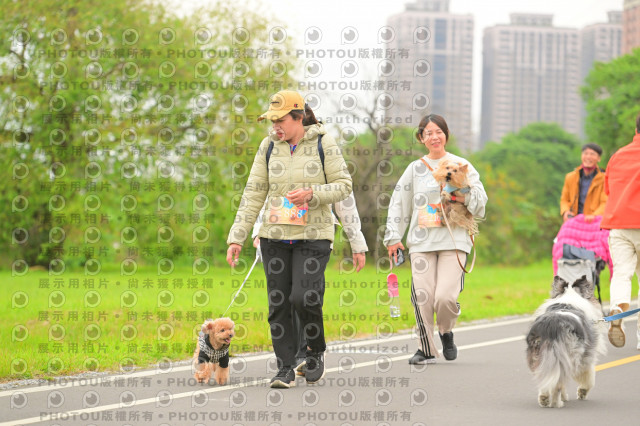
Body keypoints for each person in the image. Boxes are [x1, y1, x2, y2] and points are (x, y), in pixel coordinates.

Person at [226, 90, 352, 388]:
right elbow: (253, 193)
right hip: (275, 236)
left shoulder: (324, 143)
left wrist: (312, 194)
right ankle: (285, 367)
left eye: (280, 120)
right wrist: (237, 237)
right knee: (279, 304)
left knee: (304, 297)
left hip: (314, 236)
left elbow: (344, 185)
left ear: (298, 117)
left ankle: (314, 350)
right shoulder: (268, 146)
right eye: (272, 121)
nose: (275, 126)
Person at [384, 114, 487, 364]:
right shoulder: (415, 169)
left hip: (454, 240)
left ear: (446, 135)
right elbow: (399, 203)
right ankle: (426, 348)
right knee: (422, 297)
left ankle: (446, 331)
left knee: (445, 298)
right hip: (421, 241)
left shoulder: (461, 164)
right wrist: (393, 237)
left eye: (438, 131)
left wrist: (460, 198)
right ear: (421, 138)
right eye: (428, 133)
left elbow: (481, 201)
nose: (434, 137)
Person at [252, 191, 368, 375]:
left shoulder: (328, 170)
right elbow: (264, 192)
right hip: (280, 232)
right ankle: (289, 361)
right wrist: (259, 229)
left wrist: (356, 241)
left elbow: (344, 197)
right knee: (284, 297)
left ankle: (310, 349)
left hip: (316, 232)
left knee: (306, 294)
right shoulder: (273, 169)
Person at [600, 112, 640, 349]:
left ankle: (617, 308)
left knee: (621, 274)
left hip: (619, 224)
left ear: (636, 130)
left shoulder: (618, 156)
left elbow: (608, 189)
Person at [560, 143, 608, 223]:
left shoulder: (604, 179)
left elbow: (605, 202)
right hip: (574, 220)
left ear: (599, 158)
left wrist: (594, 215)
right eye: (585, 153)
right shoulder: (570, 177)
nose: (588, 157)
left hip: (594, 221)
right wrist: (566, 211)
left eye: (592, 154)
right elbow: (564, 199)